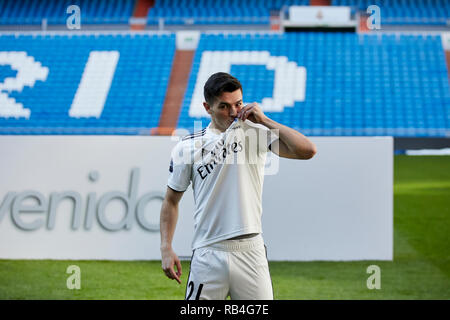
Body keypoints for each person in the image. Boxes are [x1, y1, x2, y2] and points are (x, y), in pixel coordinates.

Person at [160, 72, 317, 300]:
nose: (233, 113)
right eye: (224, 106)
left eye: (238, 104)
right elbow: (170, 201)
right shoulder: (188, 147)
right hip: (208, 252)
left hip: (251, 251)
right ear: (207, 107)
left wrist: (264, 120)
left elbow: (308, 151)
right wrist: (166, 247)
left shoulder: (256, 133)